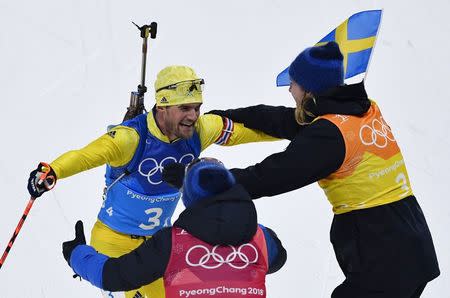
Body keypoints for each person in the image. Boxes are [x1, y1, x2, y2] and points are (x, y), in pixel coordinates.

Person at [164, 42, 440, 297]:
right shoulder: (358, 110)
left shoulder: (329, 136)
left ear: (309, 89)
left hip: (382, 247)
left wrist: (195, 179)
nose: (289, 89)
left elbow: (269, 177)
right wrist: (225, 116)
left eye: (293, 83)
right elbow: (285, 120)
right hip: (406, 236)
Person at [27, 65, 277, 298]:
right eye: (185, 108)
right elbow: (85, 156)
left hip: (160, 246)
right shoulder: (130, 138)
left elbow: (249, 133)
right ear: (162, 106)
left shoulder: (202, 129)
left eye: (197, 107)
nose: (193, 115)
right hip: (113, 240)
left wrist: (300, 132)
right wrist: (52, 171)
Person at [62, 157, 287, 298]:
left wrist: (77, 254)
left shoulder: (171, 243)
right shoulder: (261, 238)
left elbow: (114, 276)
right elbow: (279, 259)